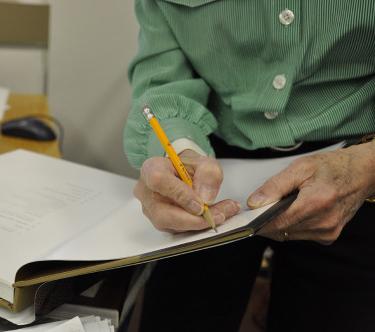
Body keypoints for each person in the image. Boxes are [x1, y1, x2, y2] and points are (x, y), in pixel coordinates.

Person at [123, 1, 375, 331]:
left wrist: (367, 166)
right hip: (213, 160)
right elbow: (163, 73)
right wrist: (181, 151)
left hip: (356, 165)